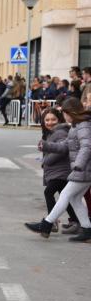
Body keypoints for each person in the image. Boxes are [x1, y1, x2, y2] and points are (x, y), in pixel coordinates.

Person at [25, 98, 91, 242]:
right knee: (75, 199)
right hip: (83, 169)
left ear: (71, 112)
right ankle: (87, 230)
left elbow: (87, 146)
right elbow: (64, 146)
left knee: (66, 195)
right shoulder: (76, 126)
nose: (64, 116)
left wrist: (78, 164)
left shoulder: (83, 125)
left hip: (83, 169)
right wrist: (47, 146)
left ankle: (47, 224)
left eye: (65, 112)